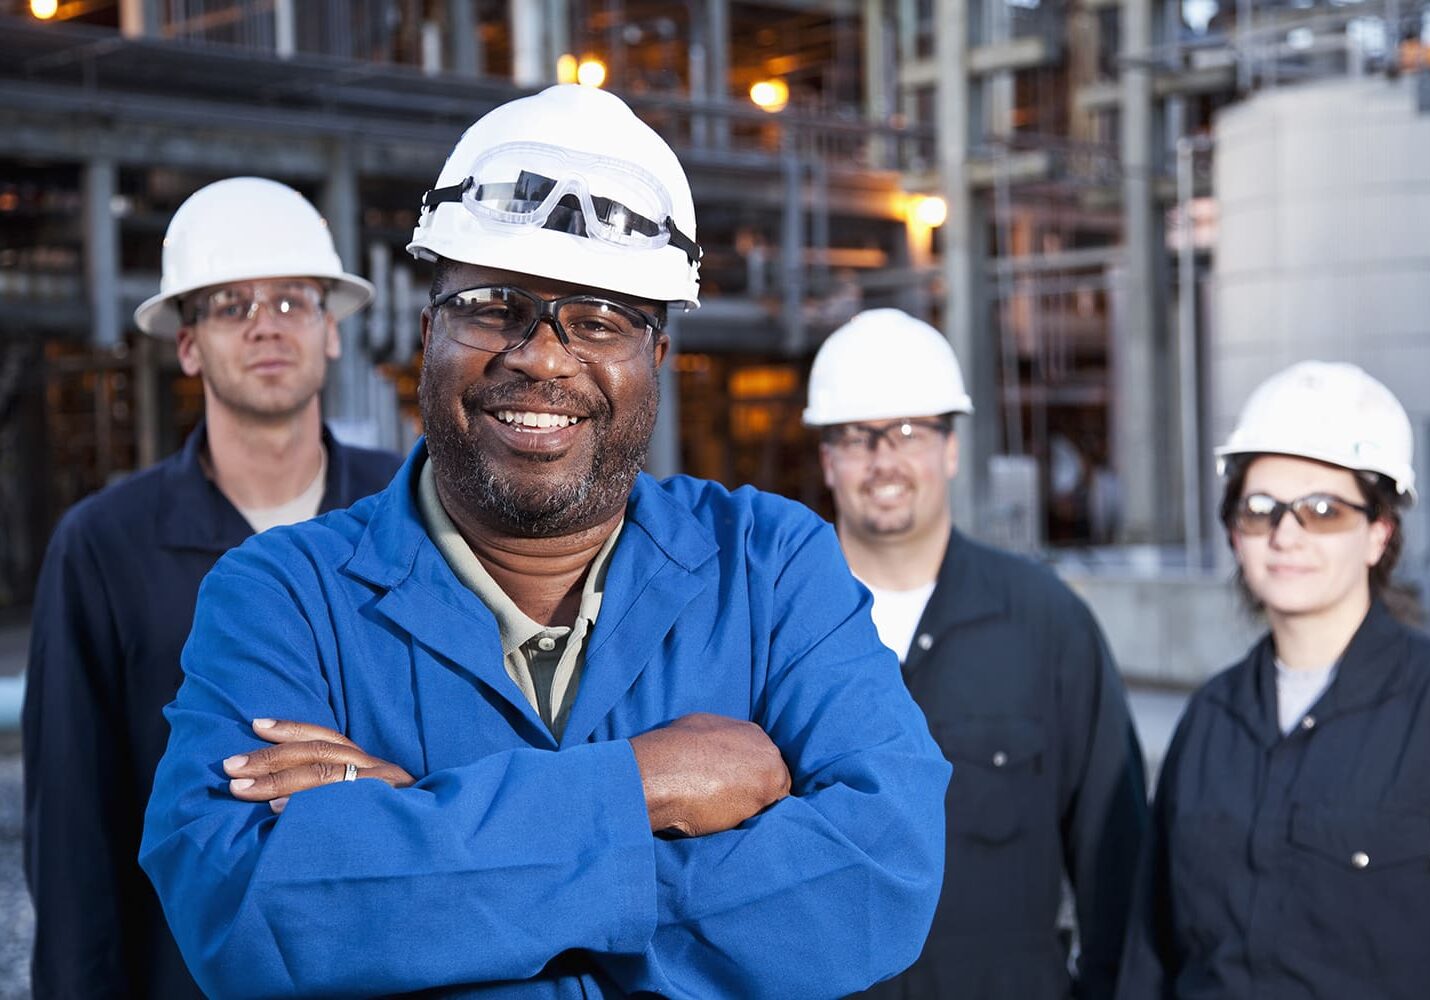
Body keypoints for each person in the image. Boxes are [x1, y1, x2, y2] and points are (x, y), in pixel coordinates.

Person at [139, 85, 949, 999]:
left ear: (658, 360)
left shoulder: (769, 565)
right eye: (493, 306)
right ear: (427, 331)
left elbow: (882, 876)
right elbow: (249, 908)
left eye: (601, 320)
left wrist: (410, 844)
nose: (543, 356)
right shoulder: (282, 597)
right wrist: (640, 787)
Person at [22, 176, 401, 999]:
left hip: (393, 963)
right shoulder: (105, 545)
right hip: (190, 975)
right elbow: (74, 833)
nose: (266, 325)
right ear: (188, 343)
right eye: (231, 305)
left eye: (293, 302)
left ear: (332, 330)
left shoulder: (410, 514)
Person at [803, 308, 1149, 999]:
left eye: (909, 432)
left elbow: (1119, 863)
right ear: (828, 458)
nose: (884, 461)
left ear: (952, 449)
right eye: (859, 436)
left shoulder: (1044, 622)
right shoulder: (777, 627)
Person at [1117, 360, 1430, 999]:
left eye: (1323, 509)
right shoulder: (1211, 719)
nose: (1287, 533)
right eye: (1262, 509)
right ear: (1236, 533)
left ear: (1379, 533)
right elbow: (1152, 950)